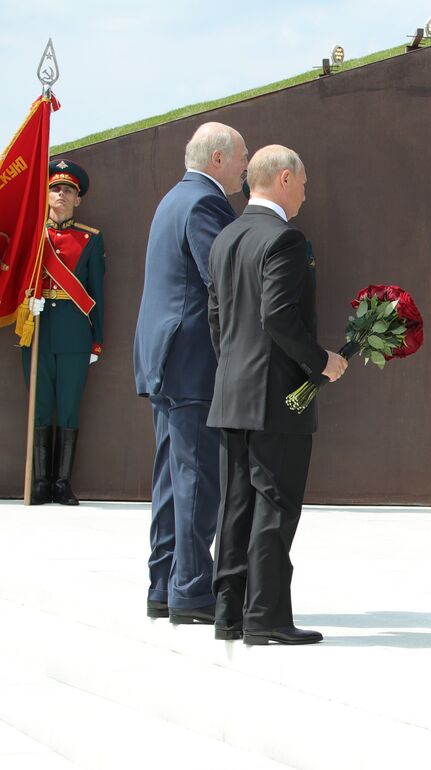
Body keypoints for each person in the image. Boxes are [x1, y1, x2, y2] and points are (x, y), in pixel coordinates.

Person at [206, 145, 347, 645]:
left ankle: (229, 614)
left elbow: (217, 319)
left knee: (236, 504)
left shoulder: (226, 236)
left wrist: (235, 371)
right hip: (275, 397)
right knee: (275, 503)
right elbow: (278, 317)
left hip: (232, 394)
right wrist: (321, 361)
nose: (305, 194)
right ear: (284, 179)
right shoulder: (285, 238)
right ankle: (266, 616)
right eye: (303, 184)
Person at [134, 123, 249, 624]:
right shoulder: (206, 203)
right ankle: (192, 591)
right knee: (198, 477)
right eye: (242, 156)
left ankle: (164, 585)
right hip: (191, 361)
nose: (246, 167)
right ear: (218, 158)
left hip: (166, 359)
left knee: (171, 478)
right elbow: (219, 281)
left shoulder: (173, 198)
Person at [22, 160, 105, 507]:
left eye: (68, 190)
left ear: (78, 199)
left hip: (74, 332)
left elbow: (97, 292)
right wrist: (27, 301)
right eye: (55, 189)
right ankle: (41, 483)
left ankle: (61, 483)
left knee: (69, 407)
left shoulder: (90, 239)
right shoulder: (32, 236)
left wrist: (97, 340)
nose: (61, 195)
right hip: (38, 329)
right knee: (40, 406)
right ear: (46, 195)